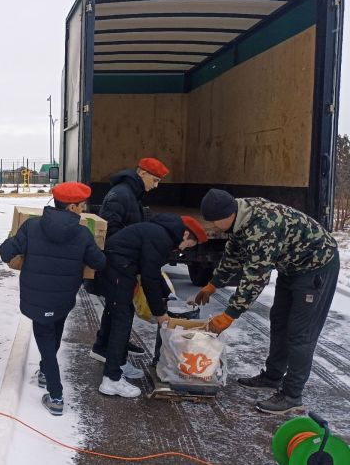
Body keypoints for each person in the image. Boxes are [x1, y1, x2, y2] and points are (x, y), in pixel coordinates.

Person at [194, 189, 339, 414]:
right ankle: (273, 376)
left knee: (300, 333)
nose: (212, 226)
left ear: (228, 214)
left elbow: (255, 277)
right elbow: (233, 254)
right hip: (291, 267)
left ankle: (292, 396)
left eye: (214, 221)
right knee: (279, 321)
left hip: (315, 267)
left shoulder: (262, 226)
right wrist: (213, 283)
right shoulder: (238, 219)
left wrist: (230, 314)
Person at [0, 182, 106, 416]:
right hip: (63, 297)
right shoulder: (82, 233)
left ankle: (55, 395)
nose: (82, 209)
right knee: (53, 333)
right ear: (71, 207)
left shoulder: (32, 226)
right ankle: (52, 386)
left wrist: (12, 239)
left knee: (47, 339)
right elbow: (99, 263)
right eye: (81, 205)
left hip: (36, 298)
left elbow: (6, 252)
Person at [97, 214, 206, 398]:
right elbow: (150, 277)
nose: (185, 249)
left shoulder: (162, 233)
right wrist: (160, 313)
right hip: (117, 269)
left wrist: (170, 296)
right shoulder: (161, 238)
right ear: (186, 234)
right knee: (121, 320)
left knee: (121, 314)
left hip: (120, 268)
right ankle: (111, 379)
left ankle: (118, 363)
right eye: (189, 244)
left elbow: (153, 269)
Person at [91, 157, 170, 362]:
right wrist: (135, 247)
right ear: (142, 173)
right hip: (118, 263)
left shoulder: (132, 194)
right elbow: (111, 230)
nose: (156, 186)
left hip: (125, 261)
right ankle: (113, 357)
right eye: (155, 180)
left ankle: (105, 345)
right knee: (122, 311)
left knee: (115, 307)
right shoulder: (120, 195)